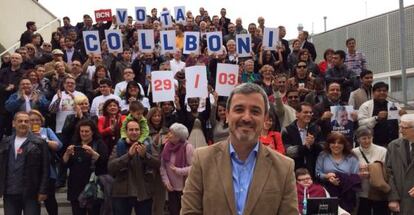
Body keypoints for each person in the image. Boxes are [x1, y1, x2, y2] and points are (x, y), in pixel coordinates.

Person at [181, 83, 298, 214]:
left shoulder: (284, 167)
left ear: (265, 118)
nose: (247, 118)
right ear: (227, 115)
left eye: (255, 111)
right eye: (239, 110)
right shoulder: (202, 160)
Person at [0, 111, 49, 215]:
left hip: (31, 192)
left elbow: (45, 168)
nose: (23, 123)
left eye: (26, 121)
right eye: (20, 121)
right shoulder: (6, 142)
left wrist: (43, 190)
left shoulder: (39, 143)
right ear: (14, 123)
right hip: (10, 192)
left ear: (30, 124)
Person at [108, 120, 159, 215]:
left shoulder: (148, 145)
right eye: (131, 130)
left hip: (144, 193)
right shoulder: (118, 146)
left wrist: (145, 156)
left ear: (140, 131)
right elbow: (111, 167)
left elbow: (158, 164)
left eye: (137, 129)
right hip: (121, 194)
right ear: (126, 132)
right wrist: (128, 156)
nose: (134, 132)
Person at [62, 119, 108, 215]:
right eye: (81, 131)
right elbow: (64, 164)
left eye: (87, 131)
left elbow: (104, 163)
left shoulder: (99, 143)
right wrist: (67, 153)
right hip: (75, 187)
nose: (84, 133)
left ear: (93, 132)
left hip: (93, 187)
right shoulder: (74, 144)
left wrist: (93, 153)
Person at [315, 132, 361, 213]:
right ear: (329, 144)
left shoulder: (352, 158)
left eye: (340, 143)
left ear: (344, 145)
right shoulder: (323, 155)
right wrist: (326, 176)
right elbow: (317, 173)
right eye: (333, 142)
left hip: (347, 196)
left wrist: (340, 181)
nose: (336, 145)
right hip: (327, 195)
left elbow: (355, 178)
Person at [29, 110, 62, 215]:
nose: (35, 122)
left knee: (50, 199)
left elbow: (59, 146)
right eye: (32, 120)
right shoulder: (24, 132)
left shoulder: (47, 131)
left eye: (37, 120)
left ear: (41, 120)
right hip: (30, 172)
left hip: (48, 171)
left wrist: (44, 139)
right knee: (33, 201)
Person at [352, 127, 389, 215]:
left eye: (369, 137)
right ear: (358, 140)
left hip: (379, 191)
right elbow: (351, 171)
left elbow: (387, 170)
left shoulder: (382, 151)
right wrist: (359, 173)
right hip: (362, 192)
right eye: (364, 138)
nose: (367, 141)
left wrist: (373, 172)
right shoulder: (353, 152)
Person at [160, 123, 194, 215]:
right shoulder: (167, 146)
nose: (168, 134)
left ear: (179, 136)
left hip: (184, 188)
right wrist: (166, 182)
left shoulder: (188, 147)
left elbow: (194, 168)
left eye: (171, 133)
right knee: (173, 211)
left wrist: (178, 170)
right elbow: (162, 166)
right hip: (171, 188)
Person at [358, 82, 405, 147]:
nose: (382, 92)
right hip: (375, 144)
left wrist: (403, 116)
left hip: (394, 143)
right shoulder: (366, 105)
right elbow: (361, 123)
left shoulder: (393, 105)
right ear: (373, 92)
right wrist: (376, 118)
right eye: (379, 91)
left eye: (384, 91)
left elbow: (401, 123)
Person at [282, 102, 322, 178]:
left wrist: (313, 144)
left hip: (313, 170)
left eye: (310, 113)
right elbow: (288, 152)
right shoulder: (287, 130)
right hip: (294, 171)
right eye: (305, 112)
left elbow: (323, 147)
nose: (309, 115)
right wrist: (305, 146)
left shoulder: (316, 129)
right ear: (297, 114)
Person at [386, 114, 414, 214]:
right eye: (400, 127)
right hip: (402, 202)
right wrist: (393, 198)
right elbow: (389, 173)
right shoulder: (393, 146)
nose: (400, 131)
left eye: (404, 128)